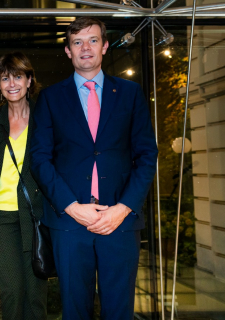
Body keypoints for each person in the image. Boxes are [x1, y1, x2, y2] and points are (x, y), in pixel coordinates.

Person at [31, 17, 158, 319]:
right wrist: (72, 207)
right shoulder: (49, 98)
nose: (85, 48)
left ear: (104, 46)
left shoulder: (130, 93)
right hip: (69, 223)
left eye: (92, 40)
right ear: (67, 51)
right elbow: (39, 158)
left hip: (120, 222)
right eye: (77, 42)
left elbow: (146, 154)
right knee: (75, 310)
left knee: (119, 310)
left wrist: (124, 207)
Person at [0, 52, 48, 320]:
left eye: (18, 76)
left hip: (35, 216)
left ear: (29, 80)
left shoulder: (45, 119)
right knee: (11, 291)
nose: (12, 83)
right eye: (5, 78)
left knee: (35, 293)